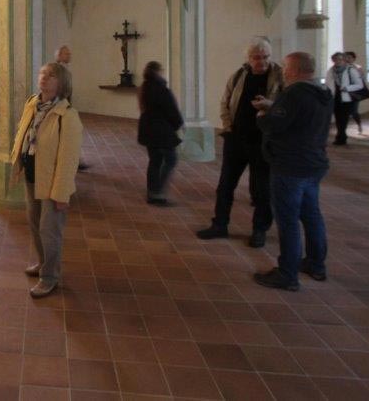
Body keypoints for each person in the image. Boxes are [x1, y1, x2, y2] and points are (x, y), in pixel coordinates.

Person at [251, 51, 333, 291]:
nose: (283, 71)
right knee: (311, 215)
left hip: (290, 164)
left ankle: (287, 273)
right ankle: (316, 264)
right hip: (313, 162)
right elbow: (300, 117)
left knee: (288, 220)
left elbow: (274, 124)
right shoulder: (322, 92)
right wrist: (274, 106)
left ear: (296, 69)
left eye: (286, 67)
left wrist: (262, 114)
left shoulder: (294, 93)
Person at [197, 38, 283, 248]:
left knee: (262, 190)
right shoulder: (238, 75)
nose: (261, 61)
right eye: (257, 57)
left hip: (264, 141)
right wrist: (228, 126)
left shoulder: (280, 77)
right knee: (225, 185)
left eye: (265, 57)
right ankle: (220, 224)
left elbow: (287, 107)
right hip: (236, 139)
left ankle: (259, 230)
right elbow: (225, 102)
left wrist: (269, 105)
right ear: (249, 58)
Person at [10, 62, 83, 298]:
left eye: (51, 75)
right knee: (34, 224)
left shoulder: (67, 116)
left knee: (49, 231)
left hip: (52, 182)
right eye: (42, 73)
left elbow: (68, 160)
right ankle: (43, 264)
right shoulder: (33, 103)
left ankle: (49, 277)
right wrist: (17, 161)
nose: (44, 78)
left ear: (61, 83)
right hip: (33, 174)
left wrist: (61, 193)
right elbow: (22, 132)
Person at [137, 61, 183, 206]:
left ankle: (152, 192)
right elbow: (172, 111)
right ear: (158, 72)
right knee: (171, 160)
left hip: (148, 129)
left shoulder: (144, 87)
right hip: (162, 131)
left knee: (155, 161)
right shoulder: (162, 89)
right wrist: (178, 124)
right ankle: (158, 192)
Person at [55, 45, 88, 171]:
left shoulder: (65, 68)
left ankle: (74, 160)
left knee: (69, 134)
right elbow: (59, 91)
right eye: (66, 54)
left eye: (69, 53)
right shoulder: (58, 70)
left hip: (66, 106)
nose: (69, 56)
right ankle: (72, 161)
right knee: (65, 135)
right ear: (59, 55)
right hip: (61, 108)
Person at [325, 52, 364, 145]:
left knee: (344, 117)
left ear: (343, 60)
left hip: (347, 97)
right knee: (338, 117)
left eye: (340, 59)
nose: (338, 61)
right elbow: (328, 83)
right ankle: (341, 135)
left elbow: (360, 85)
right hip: (336, 96)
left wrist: (347, 88)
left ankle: (341, 137)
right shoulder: (331, 70)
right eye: (335, 59)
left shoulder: (350, 70)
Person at [343, 51, 366, 135]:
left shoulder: (357, 68)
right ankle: (343, 130)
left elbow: (362, 80)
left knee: (354, 111)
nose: (347, 59)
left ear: (353, 59)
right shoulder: (342, 67)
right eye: (346, 57)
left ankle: (359, 125)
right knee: (344, 112)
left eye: (349, 57)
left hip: (354, 93)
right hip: (344, 93)